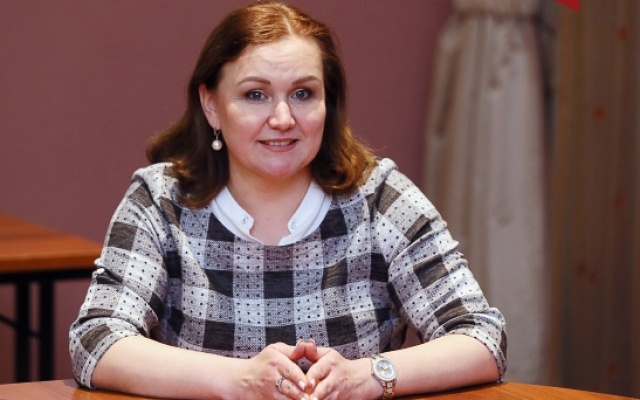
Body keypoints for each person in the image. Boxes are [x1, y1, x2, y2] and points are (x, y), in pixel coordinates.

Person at [69, 2, 507, 399]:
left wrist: (369, 376)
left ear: (327, 104)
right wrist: (238, 381)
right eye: (255, 95)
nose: (282, 119)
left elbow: (481, 337)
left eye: (303, 94)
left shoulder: (380, 197)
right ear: (211, 105)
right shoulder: (161, 200)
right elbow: (97, 340)